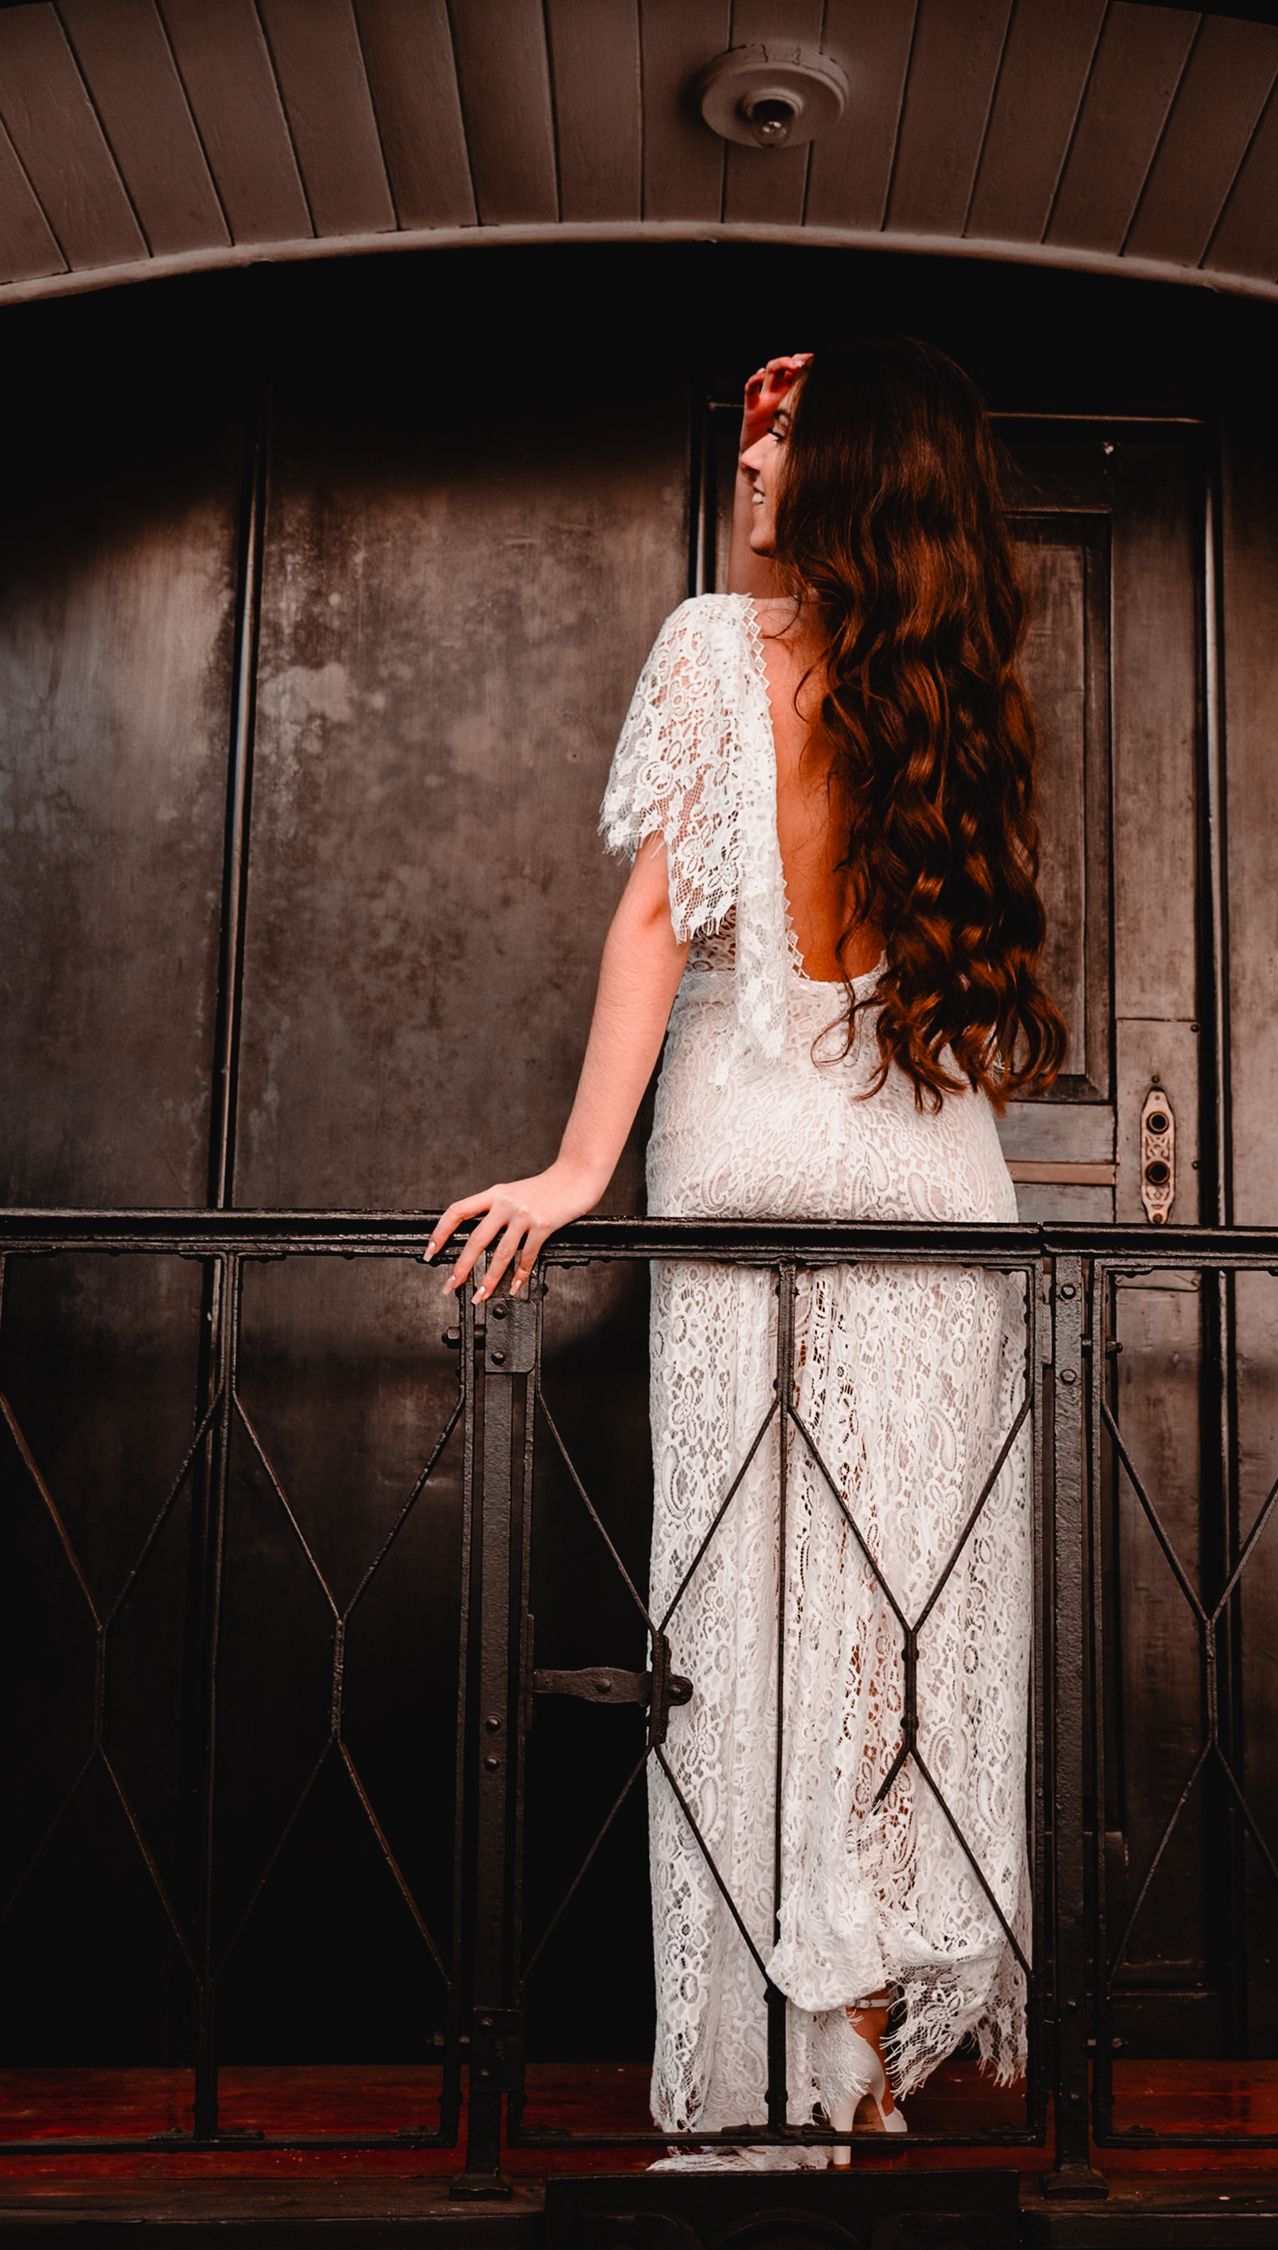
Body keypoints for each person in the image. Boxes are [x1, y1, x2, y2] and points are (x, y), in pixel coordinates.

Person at [425, 337, 1065, 2169]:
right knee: (896, 1622)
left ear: (852, 471)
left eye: (783, 440)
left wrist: (574, 1164)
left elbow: (656, 917)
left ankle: (797, 2063)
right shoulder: (959, 682)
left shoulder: (719, 642)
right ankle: (855, 2038)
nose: (751, 463)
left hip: (754, 1141)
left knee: (761, 1608)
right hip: (940, 1175)